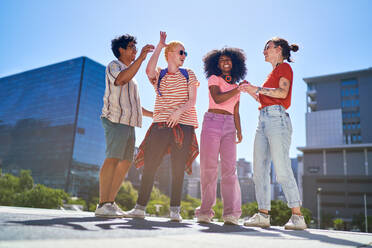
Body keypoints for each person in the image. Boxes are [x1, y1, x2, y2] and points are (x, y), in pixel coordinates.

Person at [124, 31, 199, 222]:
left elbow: (192, 101)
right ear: (170, 53)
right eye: (181, 52)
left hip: (184, 125)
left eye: (185, 53)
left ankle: (175, 210)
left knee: (177, 167)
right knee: (150, 165)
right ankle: (140, 208)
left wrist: (178, 112)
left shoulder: (189, 74)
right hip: (160, 124)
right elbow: (148, 71)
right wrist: (160, 46)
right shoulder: (160, 74)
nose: (184, 56)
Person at [241, 37, 307, 230]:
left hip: (277, 120)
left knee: (281, 168)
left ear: (278, 50)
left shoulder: (284, 68)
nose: (263, 51)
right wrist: (250, 90)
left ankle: (297, 217)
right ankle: (263, 215)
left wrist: (257, 88)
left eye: (266, 47)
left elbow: (282, 93)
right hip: (263, 119)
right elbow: (265, 98)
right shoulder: (272, 73)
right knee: (259, 169)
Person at [95, 34, 154, 218]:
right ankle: (102, 204)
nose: (135, 51)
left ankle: (110, 203)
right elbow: (120, 80)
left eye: (136, 48)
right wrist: (142, 59)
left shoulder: (133, 77)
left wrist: (154, 114)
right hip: (115, 120)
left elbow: (135, 106)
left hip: (129, 124)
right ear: (121, 49)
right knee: (112, 158)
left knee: (126, 162)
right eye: (131, 47)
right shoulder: (114, 66)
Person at [195, 48, 247, 225]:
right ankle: (205, 212)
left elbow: (236, 111)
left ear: (234, 63)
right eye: (221, 60)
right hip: (212, 122)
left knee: (229, 170)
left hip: (230, 125)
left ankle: (231, 213)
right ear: (216, 64)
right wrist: (238, 88)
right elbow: (217, 98)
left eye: (229, 60)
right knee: (209, 168)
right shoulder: (214, 79)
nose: (225, 62)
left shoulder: (236, 86)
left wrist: (239, 130)